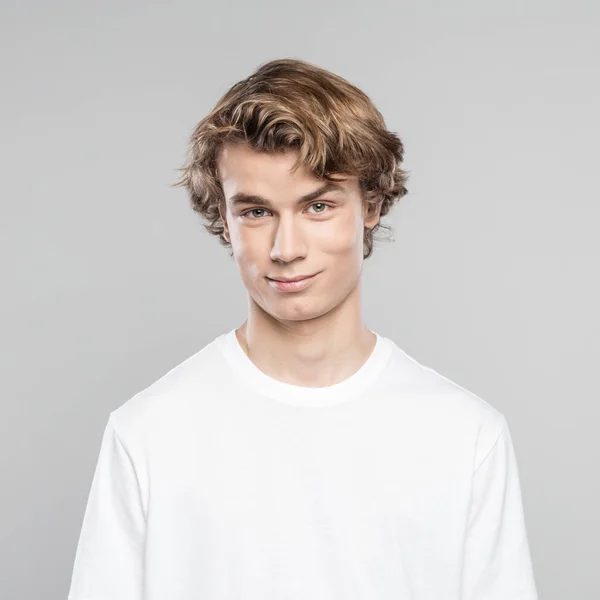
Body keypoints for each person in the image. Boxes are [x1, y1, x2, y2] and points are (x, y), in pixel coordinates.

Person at [67, 58, 539, 600]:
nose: (286, 249)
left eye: (317, 206)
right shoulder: (146, 434)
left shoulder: (467, 437)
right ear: (223, 218)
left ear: (372, 205)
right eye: (256, 212)